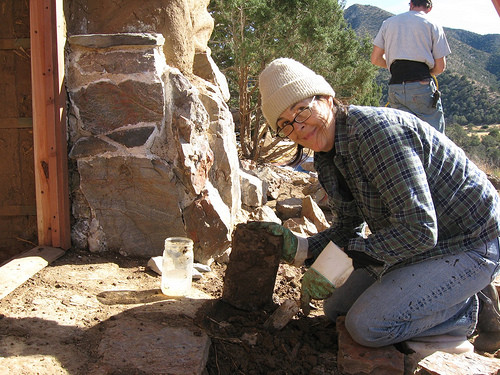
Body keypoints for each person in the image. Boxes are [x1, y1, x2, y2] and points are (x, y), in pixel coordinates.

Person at [251, 57, 500, 352]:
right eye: (285, 124)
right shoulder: (326, 155)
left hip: (469, 242)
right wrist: (301, 248)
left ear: (327, 97)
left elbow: (419, 229)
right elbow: (348, 228)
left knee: (366, 326)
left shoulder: (374, 134)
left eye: (301, 109)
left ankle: (465, 312)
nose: (298, 127)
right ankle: (445, 293)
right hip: (423, 246)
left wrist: (352, 260)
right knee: (335, 311)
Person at [371, 0, 451, 133]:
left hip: (395, 86)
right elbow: (440, 67)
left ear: (411, 4)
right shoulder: (433, 25)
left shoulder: (388, 23)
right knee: (435, 138)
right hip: (421, 86)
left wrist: (394, 65)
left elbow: (375, 59)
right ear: (429, 8)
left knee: (403, 138)